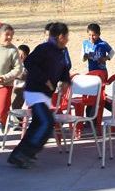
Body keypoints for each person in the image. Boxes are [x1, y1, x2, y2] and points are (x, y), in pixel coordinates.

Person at [8, 22, 71, 169]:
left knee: (37, 124)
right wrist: (45, 79)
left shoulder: (60, 51)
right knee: (46, 123)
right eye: (66, 36)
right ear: (60, 37)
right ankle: (26, 153)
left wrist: (66, 80)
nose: (68, 39)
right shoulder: (44, 48)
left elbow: (63, 68)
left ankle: (17, 155)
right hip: (35, 91)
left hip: (45, 95)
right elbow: (29, 62)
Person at [11, 44, 31, 110]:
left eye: (23, 54)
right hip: (11, 89)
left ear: (27, 56)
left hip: (21, 91)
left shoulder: (29, 66)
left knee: (16, 108)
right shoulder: (12, 63)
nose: (20, 56)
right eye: (18, 54)